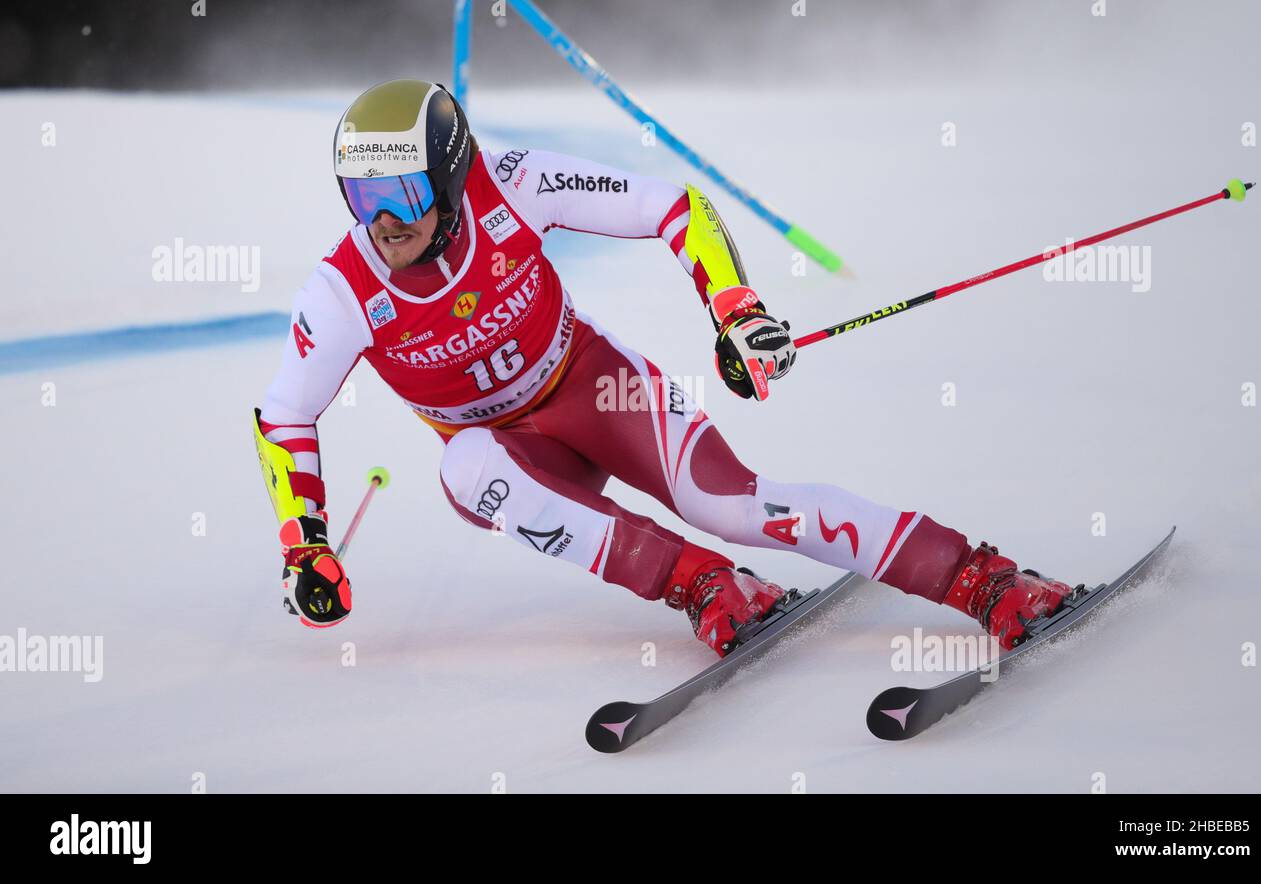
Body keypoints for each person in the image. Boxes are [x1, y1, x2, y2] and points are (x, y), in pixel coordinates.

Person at [254, 79, 1076, 657]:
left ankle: (981, 578)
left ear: (448, 172)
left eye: (400, 190)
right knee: (466, 468)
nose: (385, 220)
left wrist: (734, 309)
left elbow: (674, 207)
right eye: (362, 197)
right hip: (510, 452)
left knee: (731, 505)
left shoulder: (509, 187)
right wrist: (306, 548)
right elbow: (283, 414)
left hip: (591, 388)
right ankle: (707, 587)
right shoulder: (343, 290)